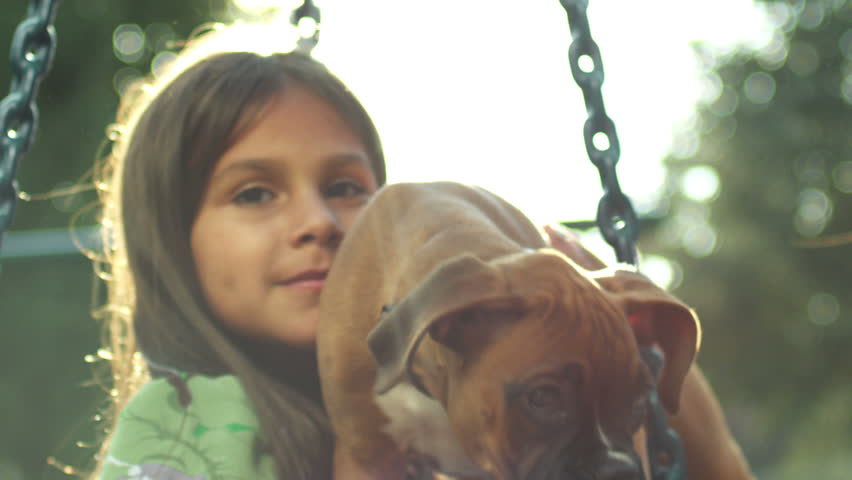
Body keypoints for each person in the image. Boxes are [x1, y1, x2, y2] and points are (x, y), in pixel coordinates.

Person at [91, 23, 384, 480]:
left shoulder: (415, 405)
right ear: (174, 239)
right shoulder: (185, 428)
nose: (319, 222)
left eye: (345, 187)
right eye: (254, 194)